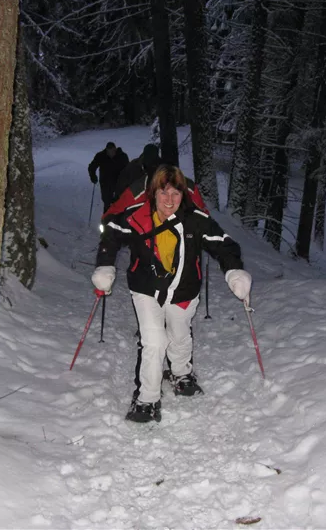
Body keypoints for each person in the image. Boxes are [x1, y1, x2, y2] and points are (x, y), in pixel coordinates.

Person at [91, 165, 252, 423]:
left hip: (184, 288)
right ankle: (147, 397)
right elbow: (110, 235)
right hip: (145, 288)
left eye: (175, 194)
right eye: (163, 193)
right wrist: (105, 265)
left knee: (179, 334)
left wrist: (234, 272)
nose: (169, 200)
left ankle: (180, 372)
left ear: (183, 196)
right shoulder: (136, 216)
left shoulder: (196, 219)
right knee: (154, 342)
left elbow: (224, 245)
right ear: (153, 193)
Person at [88, 142, 129, 212]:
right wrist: (93, 176)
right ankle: (106, 220)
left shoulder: (122, 156)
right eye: (109, 152)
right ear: (106, 150)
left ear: (115, 149)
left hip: (119, 183)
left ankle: (118, 219)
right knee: (107, 202)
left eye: (113, 151)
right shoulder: (100, 156)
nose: (111, 154)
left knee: (119, 202)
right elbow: (92, 167)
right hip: (105, 183)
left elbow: (128, 169)